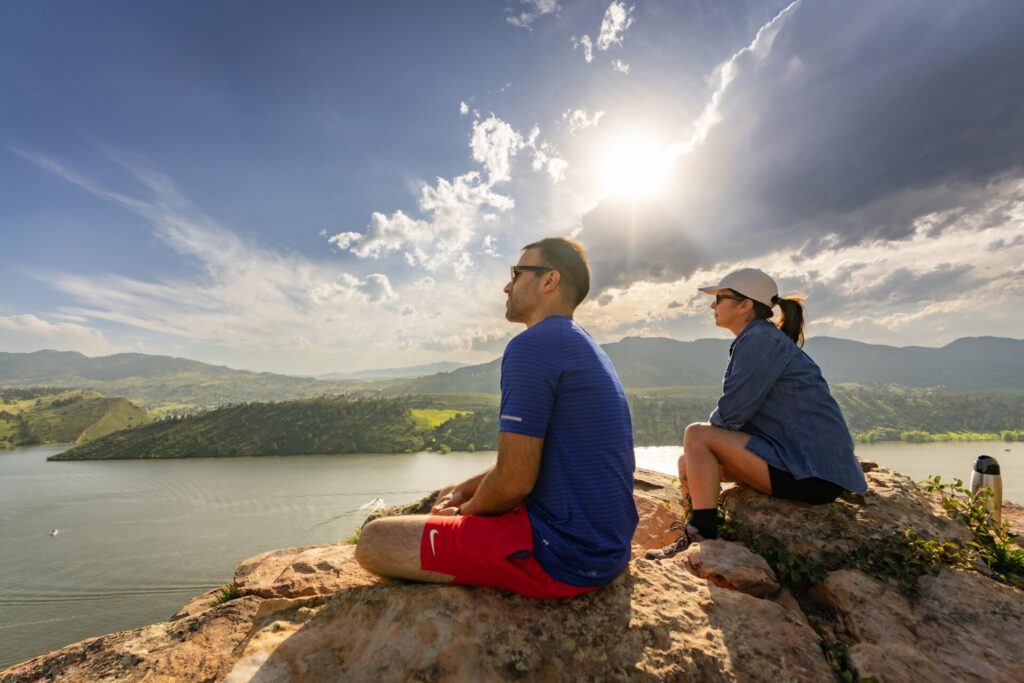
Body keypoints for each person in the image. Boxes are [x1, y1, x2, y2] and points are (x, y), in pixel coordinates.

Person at [356, 237, 638, 598]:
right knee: (448, 495)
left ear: (549, 280)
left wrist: (467, 514)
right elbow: (528, 461)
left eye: (517, 273)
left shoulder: (532, 346)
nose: (507, 285)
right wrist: (462, 489)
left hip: (563, 556)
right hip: (605, 548)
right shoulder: (580, 344)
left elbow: (515, 480)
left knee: (376, 540)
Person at [647, 268, 867, 560]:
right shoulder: (762, 338)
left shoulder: (759, 340)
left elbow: (730, 416)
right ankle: (698, 533)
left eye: (720, 298)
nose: (713, 305)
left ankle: (702, 533)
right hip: (804, 467)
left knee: (696, 435)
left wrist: (712, 438)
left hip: (811, 474)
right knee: (689, 462)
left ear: (745, 304)